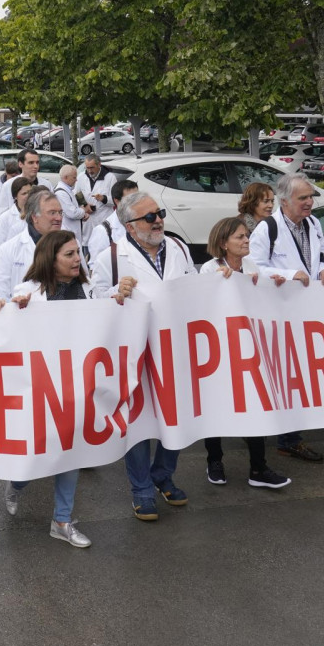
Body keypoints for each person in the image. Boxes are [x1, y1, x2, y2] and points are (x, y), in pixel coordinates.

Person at [0, 230, 112, 548]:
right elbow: (5, 330)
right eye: (69, 255)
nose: (77, 259)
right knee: (38, 451)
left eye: (77, 253)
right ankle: (17, 482)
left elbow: (109, 319)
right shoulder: (28, 292)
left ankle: (62, 519)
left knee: (71, 452)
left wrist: (123, 296)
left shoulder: (89, 289)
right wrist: (14, 309)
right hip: (42, 385)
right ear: (51, 259)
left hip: (78, 384)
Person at [89, 192, 195, 521]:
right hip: (134, 352)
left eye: (159, 213)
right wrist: (114, 293)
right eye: (150, 217)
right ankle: (142, 490)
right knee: (137, 422)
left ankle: (163, 474)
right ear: (130, 226)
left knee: (174, 417)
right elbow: (93, 298)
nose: (159, 220)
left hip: (173, 347)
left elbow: (193, 288)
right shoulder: (112, 257)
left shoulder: (177, 248)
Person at [198, 217, 291, 490]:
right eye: (240, 237)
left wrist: (270, 285)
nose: (247, 240)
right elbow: (201, 307)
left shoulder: (251, 267)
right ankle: (214, 461)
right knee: (215, 407)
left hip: (249, 350)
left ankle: (258, 467)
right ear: (223, 242)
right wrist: (219, 285)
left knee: (254, 404)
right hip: (218, 351)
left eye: (246, 236)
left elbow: (262, 302)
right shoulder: (208, 269)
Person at [248, 173, 324, 463]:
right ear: (285, 201)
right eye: (303, 198)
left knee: (301, 377)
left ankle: (291, 438)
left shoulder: (313, 223)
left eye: (311, 196)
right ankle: (283, 436)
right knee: (282, 377)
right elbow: (255, 269)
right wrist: (289, 275)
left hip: (308, 313)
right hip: (278, 315)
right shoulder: (267, 229)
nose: (310, 202)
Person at [0, 190, 65, 301]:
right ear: (35, 217)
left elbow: (83, 284)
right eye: (52, 213)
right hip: (24, 315)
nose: (59, 218)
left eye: (60, 212)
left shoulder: (72, 245)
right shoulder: (8, 250)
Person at [85, 179, 138, 268]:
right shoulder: (103, 231)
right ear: (117, 201)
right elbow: (96, 267)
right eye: (131, 199)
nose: (137, 202)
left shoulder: (142, 222)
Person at [79, 154, 117, 242]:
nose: (89, 171)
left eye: (92, 167)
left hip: (104, 219)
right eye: (87, 168)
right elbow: (77, 194)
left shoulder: (110, 178)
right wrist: (84, 205)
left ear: (99, 164)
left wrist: (103, 198)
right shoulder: (81, 177)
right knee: (87, 247)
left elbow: (116, 200)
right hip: (87, 221)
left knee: (103, 245)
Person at [0, 177, 36, 253]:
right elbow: (0, 247)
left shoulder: (37, 214)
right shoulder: (4, 218)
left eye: (30, 192)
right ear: (15, 196)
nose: (28, 196)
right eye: (24, 193)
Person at [54, 165, 88, 246]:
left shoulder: (67, 190)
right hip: (68, 233)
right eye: (74, 177)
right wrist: (83, 210)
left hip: (72, 232)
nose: (76, 180)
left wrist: (81, 213)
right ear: (66, 177)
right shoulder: (61, 193)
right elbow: (72, 213)